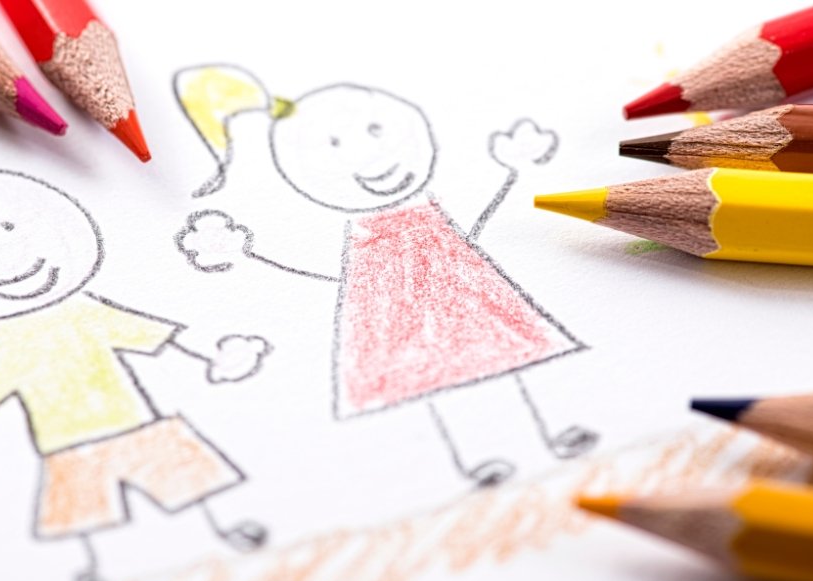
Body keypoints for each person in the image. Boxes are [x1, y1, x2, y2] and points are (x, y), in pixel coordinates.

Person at [0, 159, 271, 581]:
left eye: (10, 227)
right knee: (85, 513)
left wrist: (211, 356)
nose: (6, 252)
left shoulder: (83, 313)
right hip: (67, 443)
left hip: (134, 424)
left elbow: (150, 335)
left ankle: (223, 527)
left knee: (184, 477)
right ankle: (97, 569)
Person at [176, 66, 598, 488]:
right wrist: (250, 255)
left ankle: (552, 432)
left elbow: (473, 227)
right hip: (397, 316)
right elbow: (340, 279)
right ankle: (478, 457)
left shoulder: (429, 216)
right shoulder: (363, 241)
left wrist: (511, 173)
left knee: (503, 356)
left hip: (463, 293)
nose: (366, 154)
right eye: (335, 144)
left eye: (375, 130)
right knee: (431, 379)